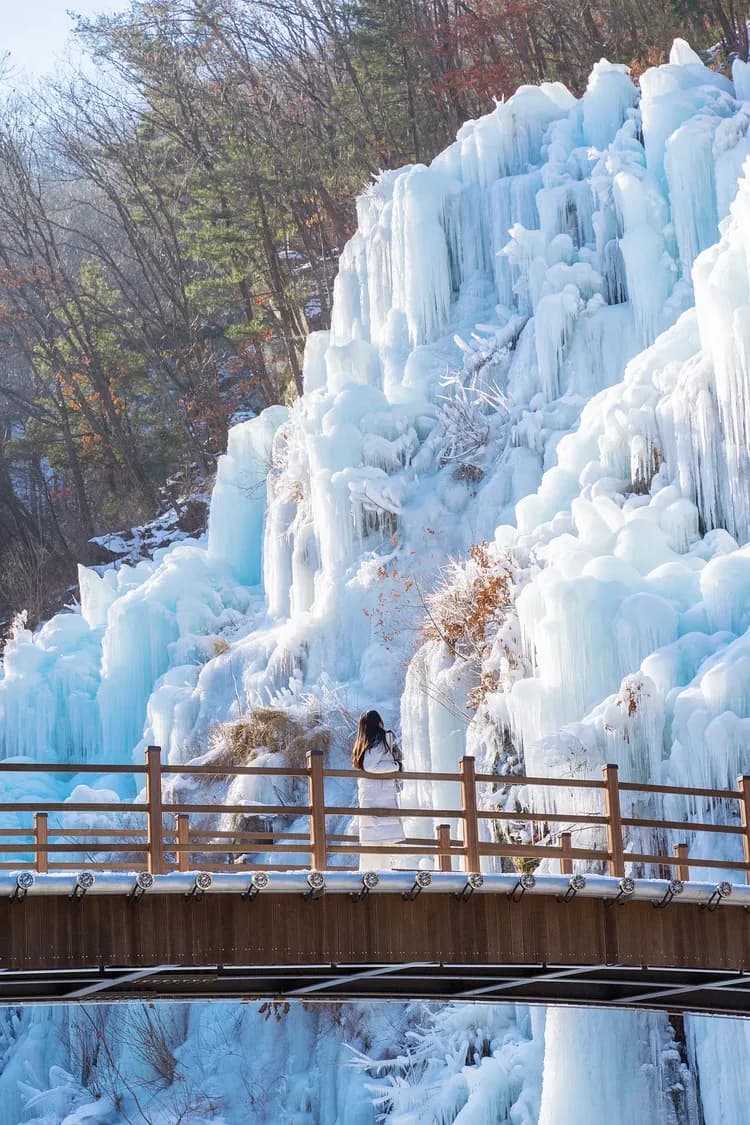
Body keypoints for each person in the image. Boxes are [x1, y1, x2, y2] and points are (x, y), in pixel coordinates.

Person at [352, 710, 404, 870]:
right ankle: (383, 875)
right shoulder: (381, 739)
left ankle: (371, 875)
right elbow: (371, 766)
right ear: (378, 723)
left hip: (370, 795)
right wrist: (396, 766)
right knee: (383, 842)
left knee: (372, 844)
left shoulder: (363, 743)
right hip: (381, 795)